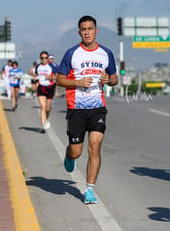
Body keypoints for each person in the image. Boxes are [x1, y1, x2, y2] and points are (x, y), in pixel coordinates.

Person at [57, 15, 118, 204]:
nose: (87, 32)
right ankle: (69, 155)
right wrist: (77, 82)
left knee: (95, 146)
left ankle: (90, 189)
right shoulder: (71, 53)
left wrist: (110, 80)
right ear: (79, 32)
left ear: (96, 30)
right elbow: (59, 79)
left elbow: (114, 78)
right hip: (76, 108)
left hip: (97, 108)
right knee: (77, 152)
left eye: (90, 29)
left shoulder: (106, 53)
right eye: (83, 29)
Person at [36, 51, 58, 133]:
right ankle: (43, 126)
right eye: (42, 58)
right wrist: (34, 77)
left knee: (48, 108)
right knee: (43, 107)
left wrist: (51, 77)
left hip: (50, 87)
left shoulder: (52, 66)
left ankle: (47, 118)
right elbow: (36, 75)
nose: (44, 59)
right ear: (40, 58)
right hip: (41, 87)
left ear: (48, 58)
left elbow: (57, 75)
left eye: (46, 58)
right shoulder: (38, 66)